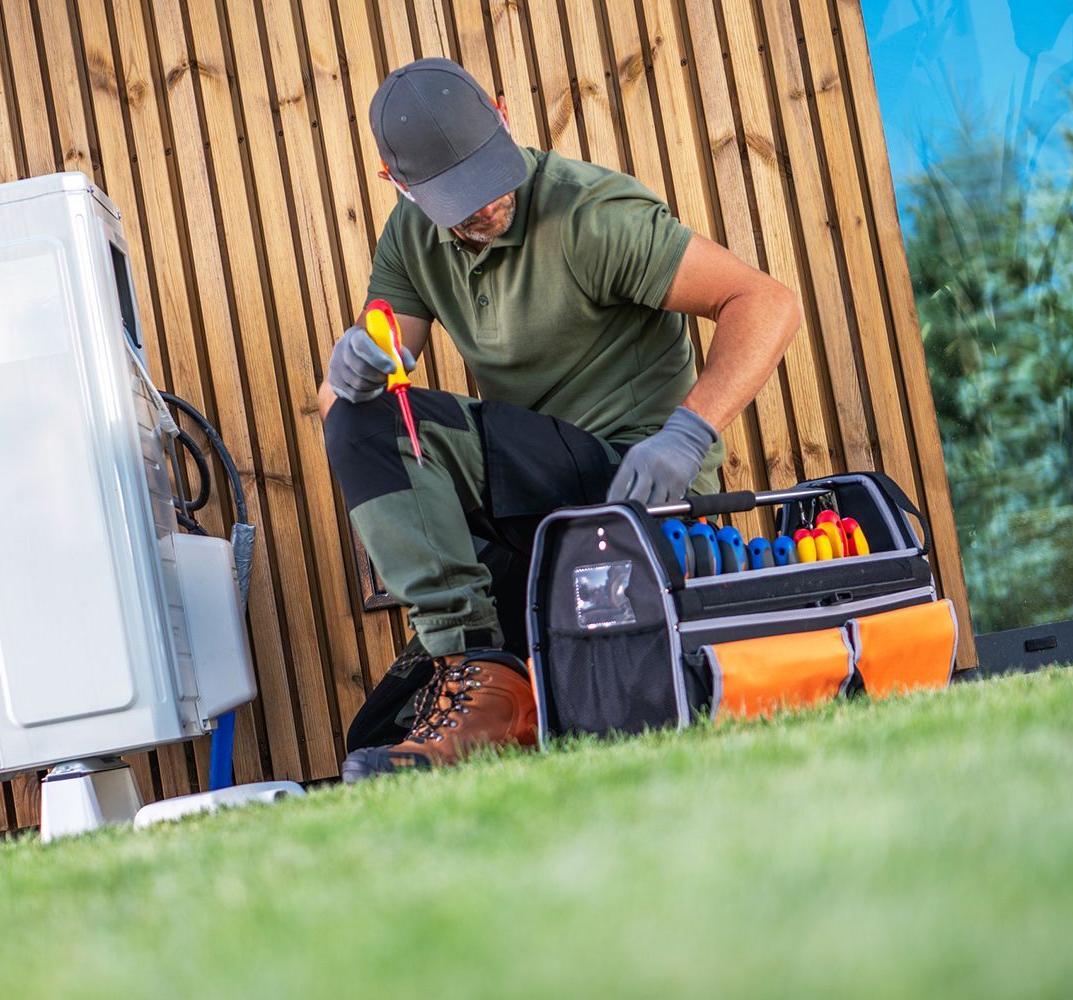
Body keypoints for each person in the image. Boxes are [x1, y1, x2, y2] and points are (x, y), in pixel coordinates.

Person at [323, 58, 799, 781]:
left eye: (490, 172)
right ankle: (482, 673)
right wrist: (349, 367)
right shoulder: (410, 241)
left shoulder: (589, 215)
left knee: (375, 427)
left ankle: (495, 679)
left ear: (505, 114)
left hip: (631, 490)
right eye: (458, 195)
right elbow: (365, 403)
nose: (486, 203)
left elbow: (766, 304)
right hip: (535, 504)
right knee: (380, 730)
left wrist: (688, 432)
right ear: (400, 187)